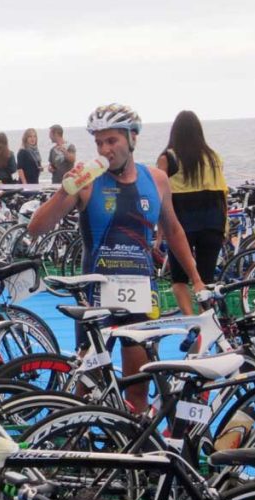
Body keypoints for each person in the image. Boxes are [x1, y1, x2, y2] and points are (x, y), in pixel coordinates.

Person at [27, 103, 205, 414]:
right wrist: (63, 191)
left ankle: (131, 456)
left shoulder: (157, 180)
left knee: (138, 390)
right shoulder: (88, 181)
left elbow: (174, 231)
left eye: (112, 141)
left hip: (140, 294)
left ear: (132, 139)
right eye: (99, 143)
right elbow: (37, 227)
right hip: (97, 295)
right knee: (87, 388)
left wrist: (196, 278)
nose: (105, 149)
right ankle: (71, 445)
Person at [156, 110, 228, 314]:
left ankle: (191, 323)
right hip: (213, 222)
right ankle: (205, 322)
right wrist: (225, 226)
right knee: (205, 281)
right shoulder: (213, 157)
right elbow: (223, 192)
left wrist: (160, 230)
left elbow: (159, 194)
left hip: (182, 224)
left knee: (179, 279)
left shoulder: (169, 157)